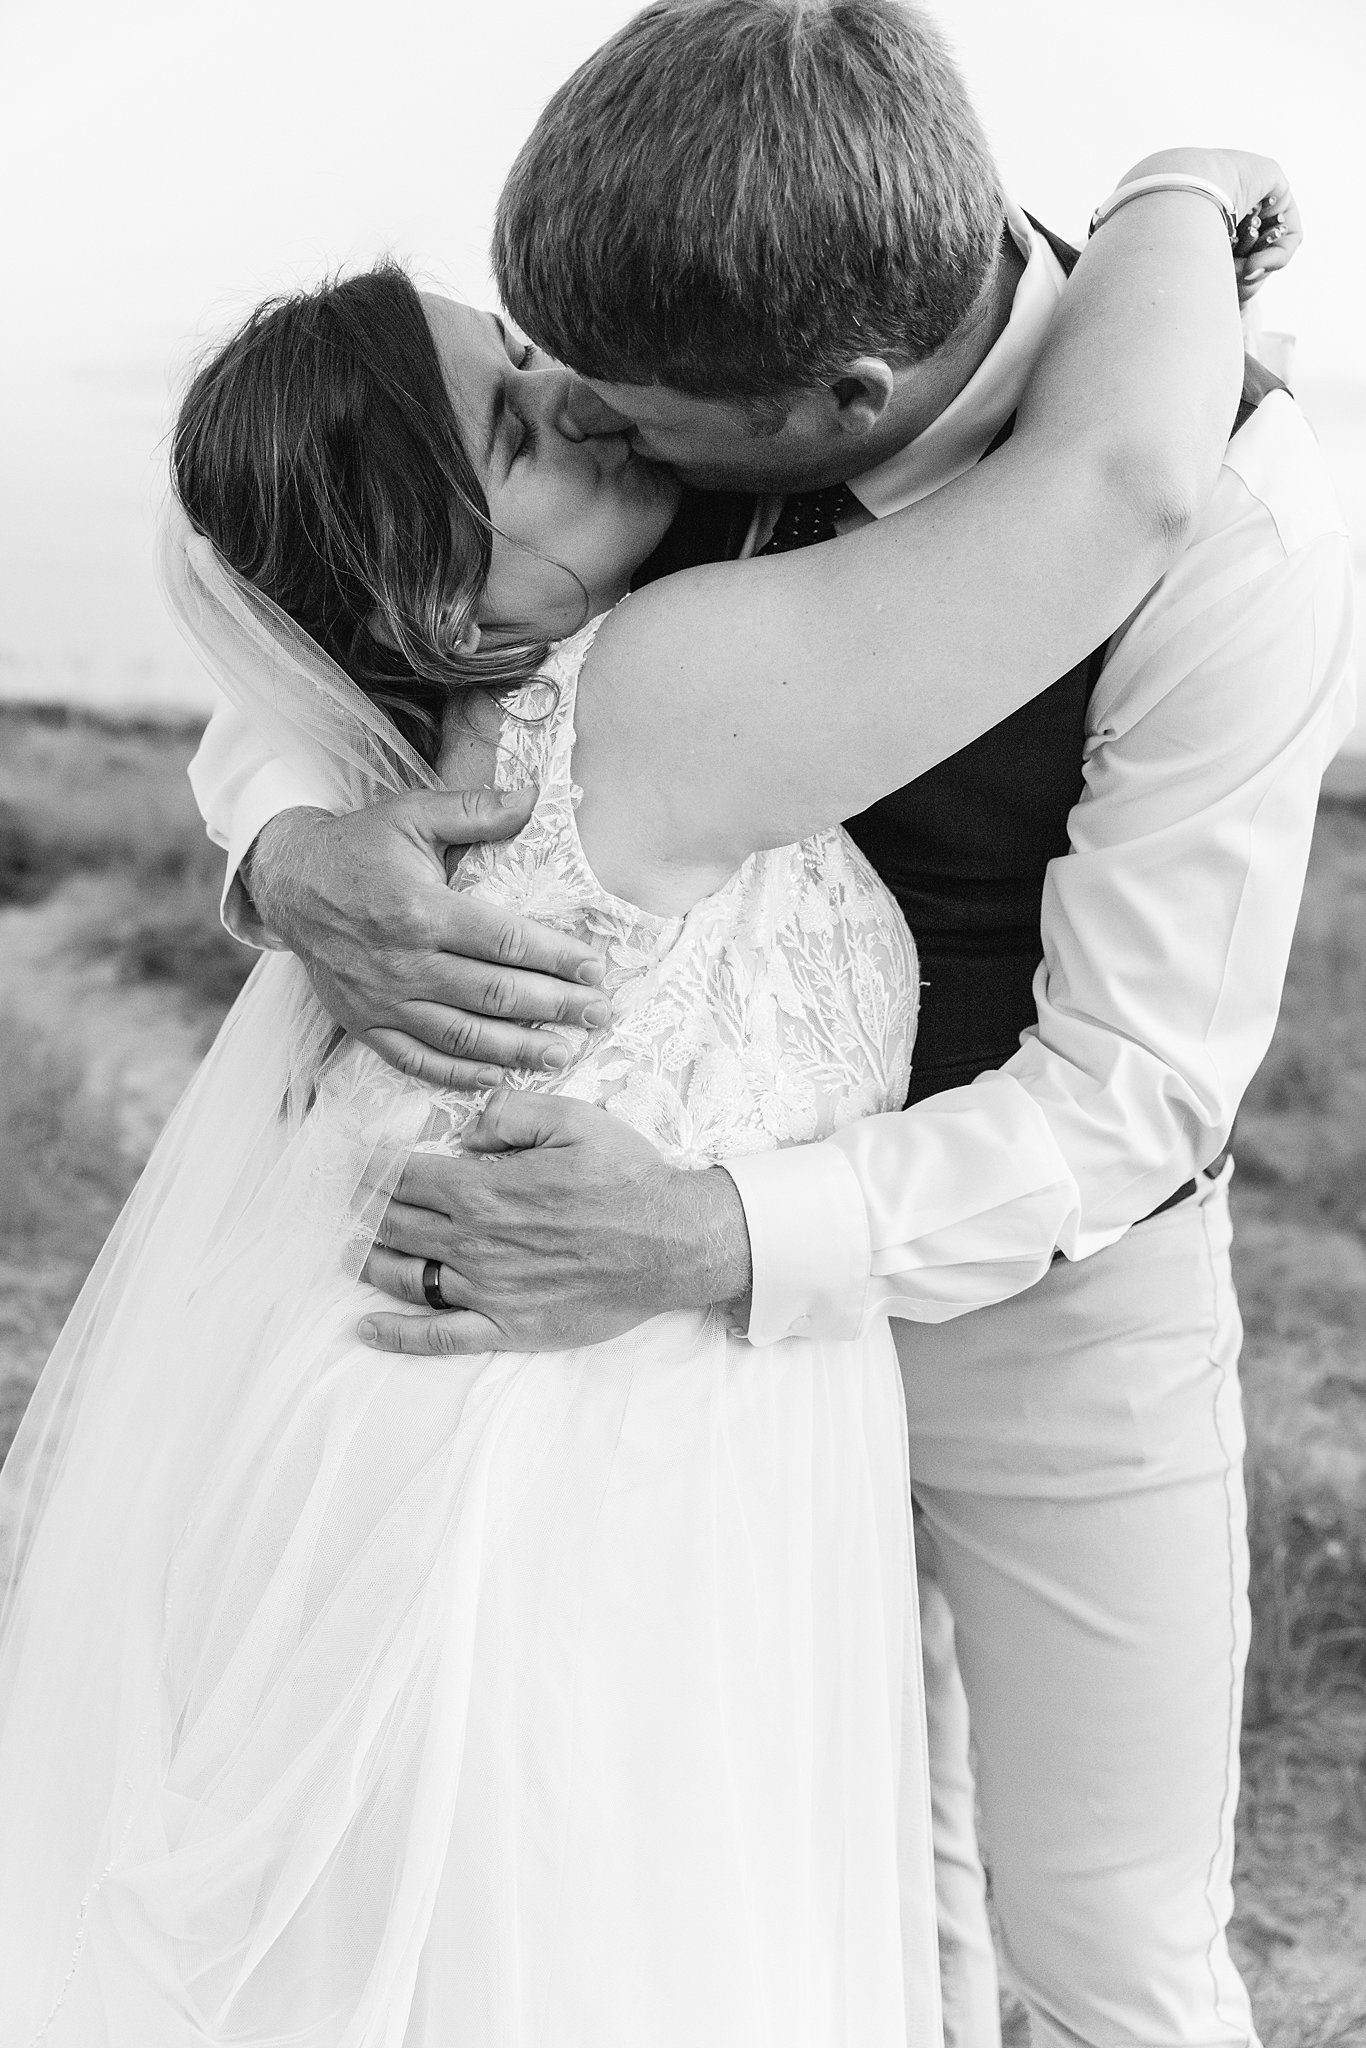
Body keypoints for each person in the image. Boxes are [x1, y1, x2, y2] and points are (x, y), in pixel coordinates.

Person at [0, 115, 1277, 2046]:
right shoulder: (645, 632)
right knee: (725, 1896)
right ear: (434, 603)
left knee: (1087, 1936)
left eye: (536, 376)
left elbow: (1136, 1090)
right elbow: (1110, 479)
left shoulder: (1216, 545)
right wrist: (1186, 189)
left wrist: (701, 1228)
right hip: (599, 1420)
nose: (591, 408)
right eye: (527, 414)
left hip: (1023, 1291)